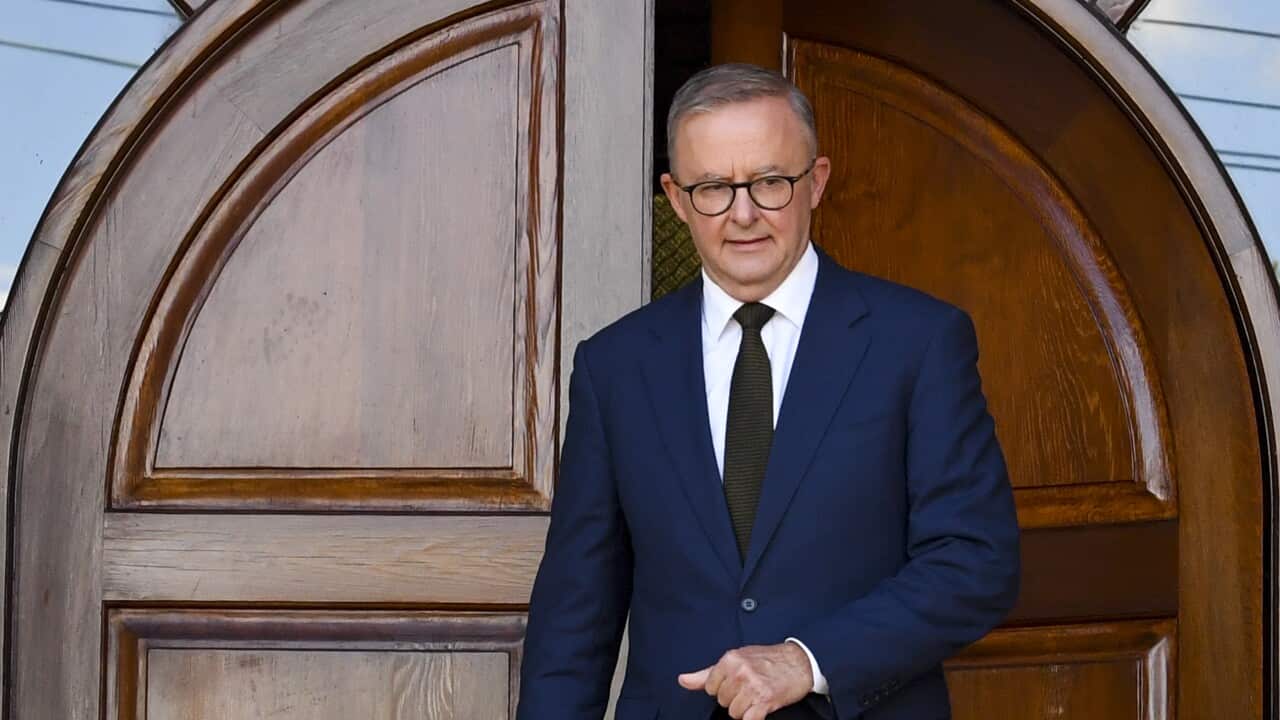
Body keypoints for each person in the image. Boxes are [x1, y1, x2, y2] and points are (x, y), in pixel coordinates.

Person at [517, 63, 1020, 720]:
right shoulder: (616, 365)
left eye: (770, 183)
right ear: (674, 198)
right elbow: (575, 613)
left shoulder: (919, 342)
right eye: (713, 189)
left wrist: (809, 659)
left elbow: (975, 563)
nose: (743, 214)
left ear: (816, 182)